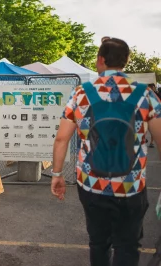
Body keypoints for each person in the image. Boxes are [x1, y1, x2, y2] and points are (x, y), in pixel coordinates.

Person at [51, 37, 161, 266]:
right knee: (128, 246)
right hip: (131, 186)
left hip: (92, 184)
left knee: (99, 243)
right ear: (126, 61)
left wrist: (57, 174)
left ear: (100, 59)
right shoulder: (146, 95)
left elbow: (62, 138)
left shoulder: (81, 94)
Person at [148, 83, 157, 147]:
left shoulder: (155, 94)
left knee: (152, 130)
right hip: (147, 113)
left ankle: (151, 142)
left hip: (152, 113)